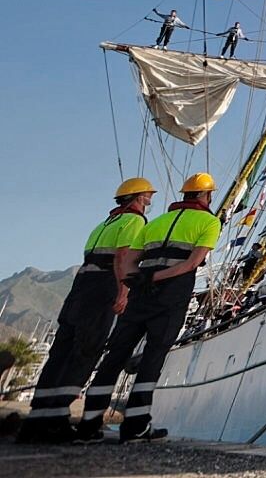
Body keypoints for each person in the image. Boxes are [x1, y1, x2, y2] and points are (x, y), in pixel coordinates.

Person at [78, 173, 221, 443]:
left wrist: (138, 279)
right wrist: (156, 278)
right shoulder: (209, 221)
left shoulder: (156, 222)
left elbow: (129, 260)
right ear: (207, 195)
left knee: (115, 355)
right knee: (153, 356)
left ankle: (88, 425)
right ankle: (136, 425)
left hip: (140, 294)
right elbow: (191, 264)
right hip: (171, 295)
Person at [16, 179, 154, 444]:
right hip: (102, 287)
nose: (149, 200)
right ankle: (56, 421)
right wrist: (123, 292)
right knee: (86, 351)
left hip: (80, 287)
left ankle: (37, 419)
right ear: (137, 197)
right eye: (147, 195)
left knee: (61, 350)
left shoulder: (104, 224)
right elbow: (122, 257)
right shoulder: (134, 221)